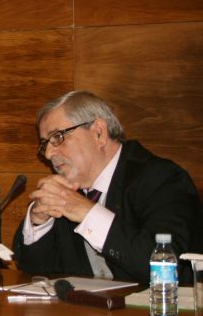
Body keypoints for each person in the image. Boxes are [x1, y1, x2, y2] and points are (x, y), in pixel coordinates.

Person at [13, 90, 203, 283]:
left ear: (98, 132)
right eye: (44, 144)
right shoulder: (65, 192)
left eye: (58, 137)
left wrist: (88, 213)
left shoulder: (162, 179)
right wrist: (39, 222)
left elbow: (163, 265)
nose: (48, 153)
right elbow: (36, 273)